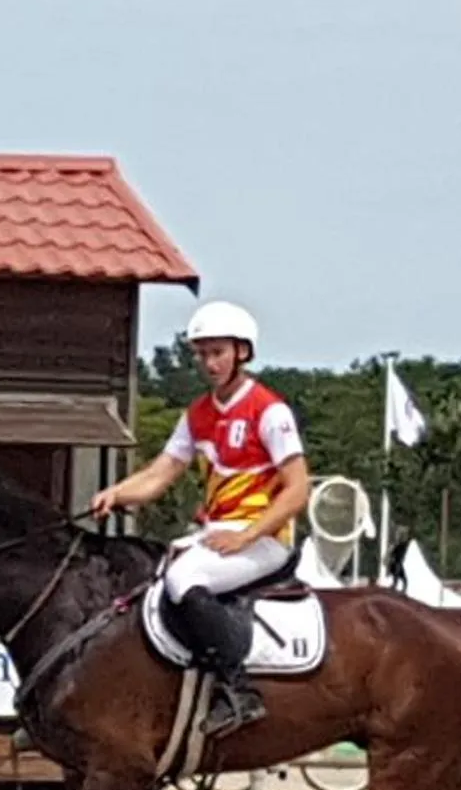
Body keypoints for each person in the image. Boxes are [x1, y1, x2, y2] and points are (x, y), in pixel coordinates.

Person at [90, 300, 311, 737]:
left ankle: (238, 690)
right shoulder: (197, 414)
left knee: (183, 579)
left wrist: (247, 536)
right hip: (217, 534)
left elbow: (298, 489)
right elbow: (160, 474)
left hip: (265, 539)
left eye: (218, 352)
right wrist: (116, 493)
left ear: (242, 352)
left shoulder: (269, 411)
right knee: (147, 574)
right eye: (202, 353)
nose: (209, 363)